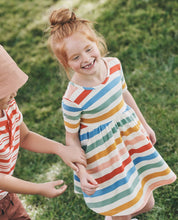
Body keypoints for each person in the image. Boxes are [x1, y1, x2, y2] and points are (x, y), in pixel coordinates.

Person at [48, 8, 177, 220]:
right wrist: (82, 172)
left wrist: (145, 125)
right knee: (121, 208)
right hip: (102, 157)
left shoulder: (114, 65)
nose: (86, 59)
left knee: (146, 201)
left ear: (97, 43)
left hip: (128, 140)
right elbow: (71, 138)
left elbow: (125, 94)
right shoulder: (73, 98)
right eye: (76, 57)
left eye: (89, 49)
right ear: (66, 63)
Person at [0, 45, 87, 220]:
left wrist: (60, 149)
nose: (15, 92)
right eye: (7, 89)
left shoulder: (8, 106)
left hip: (6, 197)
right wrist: (38, 188)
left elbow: (24, 136)